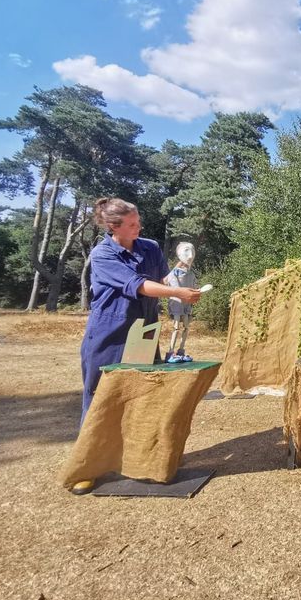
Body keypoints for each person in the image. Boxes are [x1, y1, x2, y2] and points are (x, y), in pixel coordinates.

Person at [74, 198, 201, 494]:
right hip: (110, 331)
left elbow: (162, 278)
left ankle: (143, 460)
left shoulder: (149, 246)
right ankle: (87, 467)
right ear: (113, 227)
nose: (138, 226)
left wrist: (183, 272)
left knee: (144, 394)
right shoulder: (103, 253)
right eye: (132, 224)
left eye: (138, 221)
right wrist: (177, 293)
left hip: (144, 329)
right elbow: (139, 286)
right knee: (100, 396)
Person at [165, 241, 198, 362]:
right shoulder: (174, 273)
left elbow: (194, 286)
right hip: (177, 303)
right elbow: (173, 287)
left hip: (187, 304)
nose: (190, 255)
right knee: (176, 327)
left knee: (186, 327)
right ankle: (170, 352)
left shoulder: (191, 274)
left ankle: (181, 350)